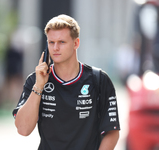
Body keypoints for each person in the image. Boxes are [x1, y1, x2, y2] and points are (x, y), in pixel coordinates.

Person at [13, 14, 120, 150]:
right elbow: (23, 129)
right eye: (51, 42)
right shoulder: (35, 80)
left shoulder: (98, 79)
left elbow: (112, 132)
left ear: (76, 43)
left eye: (62, 42)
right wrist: (39, 86)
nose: (55, 48)